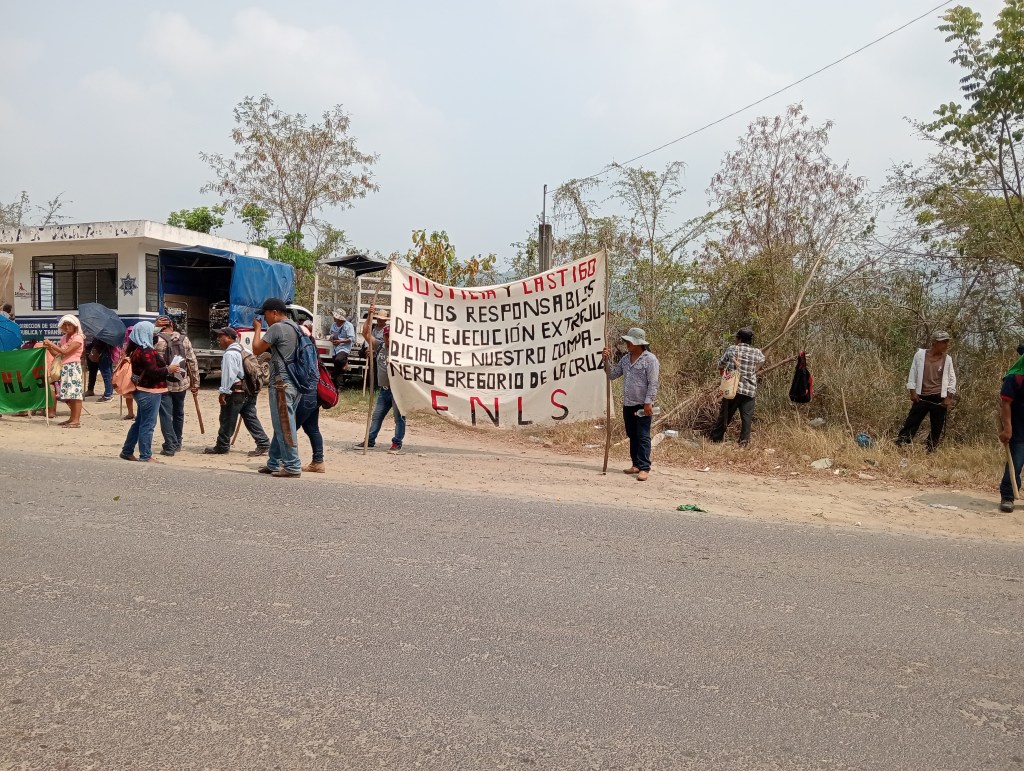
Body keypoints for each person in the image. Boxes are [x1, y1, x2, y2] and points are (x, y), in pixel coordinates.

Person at [252, 297, 304, 477]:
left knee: (284, 426)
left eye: (265, 315)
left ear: (274, 313)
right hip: (295, 382)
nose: (264, 319)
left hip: (281, 384)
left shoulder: (277, 328)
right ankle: (274, 462)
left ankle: (292, 466)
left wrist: (257, 329)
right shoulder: (296, 327)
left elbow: (257, 349)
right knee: (281, 424)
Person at [602, 327, 660, 482]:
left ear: (639, 343)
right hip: (628, 404)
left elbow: (653, 383)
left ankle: (644, 467)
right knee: (632, 434)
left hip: (642, 405)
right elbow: (612, 375)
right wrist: (605, 360)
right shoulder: (626, 359)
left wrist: (648, 402)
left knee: (643, 435)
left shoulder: (650, 359)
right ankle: (636, 464)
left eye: (630, 341)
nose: (627, 343)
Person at [204, 327, 271, 456]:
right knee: (251, 418)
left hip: (235, 392)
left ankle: (222, 446)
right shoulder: (245, 350)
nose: (219, 339)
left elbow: (229, 376)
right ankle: (263, 442)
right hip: (249, 390)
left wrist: (223, 393)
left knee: (227, 419)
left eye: (221, 337)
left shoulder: (230, 354)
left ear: (230, 338)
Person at [120, 321, 180, 462]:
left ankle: (127, 451)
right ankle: (145, 455)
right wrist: (169, 369)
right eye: (153, 332)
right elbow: (152, 372)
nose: (155, 335)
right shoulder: (146, 351)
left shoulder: (135, 349)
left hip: (142, 391)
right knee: (147, 425)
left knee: (140, 422)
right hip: (150, 392)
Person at [355, 305, 405, 453]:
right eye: (386, 336)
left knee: (399, 418)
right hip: (384, 390)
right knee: (376, 416)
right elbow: (365, 333)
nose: (388, 338)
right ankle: (370, 440)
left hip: (398, 391)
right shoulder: (380, 345)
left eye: (390, 336)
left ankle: (397, 443)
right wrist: (369, 316)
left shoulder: (401, 351)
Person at [896, 330, 957, 451]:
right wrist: (912, 391)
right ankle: (901, 445)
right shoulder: (920, 355)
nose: (946, 345)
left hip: (939, 397)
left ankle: (930, 449)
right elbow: (913, 373)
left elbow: (952, 379)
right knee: (912, 422)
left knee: (937, 427)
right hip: (921, 396)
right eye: (943, 342)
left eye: (947, 342)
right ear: (934, 342)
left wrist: (948, 397)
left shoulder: (947, 359)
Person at [708, 327, 766, 447]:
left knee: (725, 415)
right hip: (750, 390)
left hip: (733, 389)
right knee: (747, 419)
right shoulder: (757, 352)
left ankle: (716, 438)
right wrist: (754, 370)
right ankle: (744, 443)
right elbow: (762, 361)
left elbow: (721, 364)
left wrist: (723, 376)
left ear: (739, 339)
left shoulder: (732, 349)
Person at [154, 315, 200, 457]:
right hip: (181, 383)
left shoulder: (157, 340)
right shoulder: (184, 339)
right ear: (172, 325)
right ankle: (178, 442)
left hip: (164, 383)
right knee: (178, 413)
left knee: (166, 415)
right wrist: (195, 383)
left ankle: (170, 445)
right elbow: (192, 361)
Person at [43, 315, 86, 428]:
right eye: (65, 325)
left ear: (75, 325)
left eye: (69, 324)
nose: (67, 327)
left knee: (75, 394)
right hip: (65, 367)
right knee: (70, 394)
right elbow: (58, 354)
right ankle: (72, 418)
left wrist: (51, 344)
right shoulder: (64, 338)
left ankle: (76, 420)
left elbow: (66, 352)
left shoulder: (78, 338)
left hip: (73, 367)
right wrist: (49, 348)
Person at [295, 322, 325, 472]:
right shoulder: (313, 351)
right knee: (312, 428)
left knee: (289, 427)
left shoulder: (304, 351)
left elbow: (302, 374)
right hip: (315, 394)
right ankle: (318, 462)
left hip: (306, 393)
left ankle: (287, 460)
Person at [998, 345, 1024, 513]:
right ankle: (1008, 496)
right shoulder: (1014, 377)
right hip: (1019, 427)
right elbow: (1006, 403)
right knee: (1016, 461)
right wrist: (1007, 429)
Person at [328, 309, 355, 388]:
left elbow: (351, 339)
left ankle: (345, 362)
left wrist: (340, 341)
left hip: (344, 348)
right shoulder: (334, 325)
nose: (334, 318)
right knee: (337, 366)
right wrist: (331, 339)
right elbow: (331, 334)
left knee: (338, 360)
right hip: (335, 348)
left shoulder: (349, 326)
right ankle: (339, 385)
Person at [122, 325, 136, 420]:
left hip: (132, 372)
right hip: (130, 371)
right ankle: (131, 413)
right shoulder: (126, 345)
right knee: (129, 394)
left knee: (131, 394)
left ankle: (131, 413)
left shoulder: (126, 345)